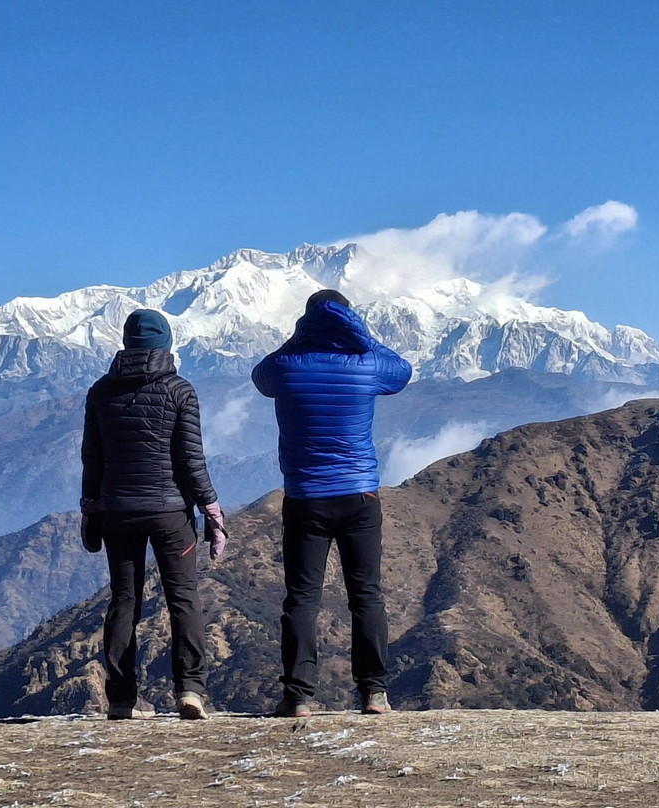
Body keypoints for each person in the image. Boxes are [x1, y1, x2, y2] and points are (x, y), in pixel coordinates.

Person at [251, 289, 412, 717]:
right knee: (366, 594)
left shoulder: (286, 366)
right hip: (360, 495)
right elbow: (403, 370)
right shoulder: (367, 365)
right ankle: (374, 692)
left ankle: (299, 697)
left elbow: (260, 375)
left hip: (305, 498)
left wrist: (298, 337)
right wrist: (361, 336)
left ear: (304, 323)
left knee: (302, 598)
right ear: (349, 320)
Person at [81, 309, 227, 720]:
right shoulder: (179, 391)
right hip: (171, 514)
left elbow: (92, 457)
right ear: (166, 344)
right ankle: (190, 690)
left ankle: (121, 699)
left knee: (123, 600)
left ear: (126, 342)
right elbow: (191, 460)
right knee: (183, 598)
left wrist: (90, 507)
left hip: (118, 512)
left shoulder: (100, 391)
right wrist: (211, 509)